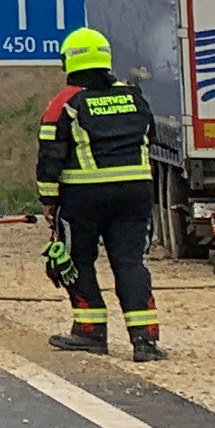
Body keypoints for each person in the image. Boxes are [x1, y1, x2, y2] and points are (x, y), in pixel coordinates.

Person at [36, 27, 166, 360]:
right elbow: (150, 134)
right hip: (136, 191)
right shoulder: (134, 95)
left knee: (78, 260)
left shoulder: (65, 103)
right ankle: (145, 341)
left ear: (69, 61)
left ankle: (90, 332)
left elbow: (50, 154)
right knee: (130, 262)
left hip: (84, 195)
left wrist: (49, 201)